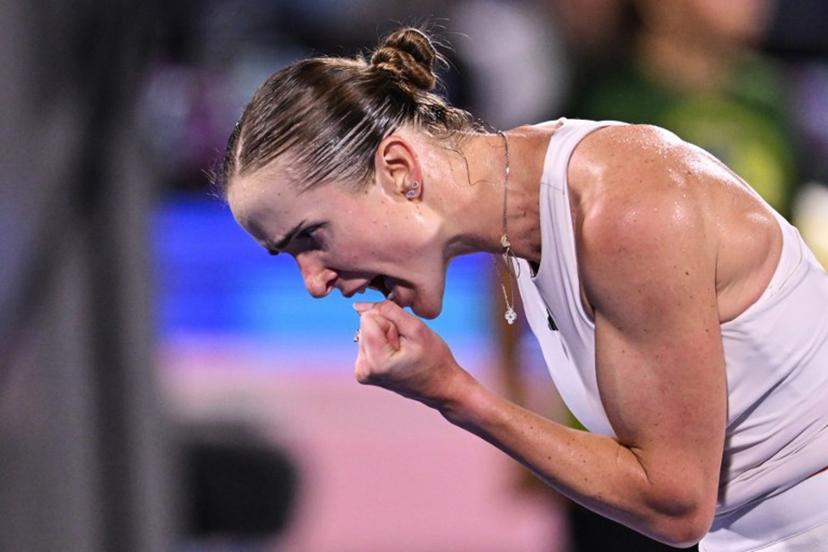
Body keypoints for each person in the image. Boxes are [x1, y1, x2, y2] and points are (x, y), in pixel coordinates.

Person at [215, 28, 828, 551]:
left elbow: (675, 503)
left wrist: (456, 394)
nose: (315, 282)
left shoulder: (624, 211)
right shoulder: (521, 214)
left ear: (398, 170)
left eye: (310, 237)